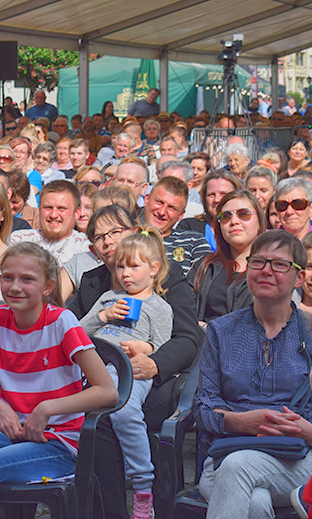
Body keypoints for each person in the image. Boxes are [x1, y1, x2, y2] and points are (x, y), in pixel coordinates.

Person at [0, 242, 117, 518]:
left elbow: (108, 391)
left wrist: (47, 408)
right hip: (11, 435)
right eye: (8, 278)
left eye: (27, 279)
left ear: (47, 287)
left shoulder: (62, 322)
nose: (15, 287)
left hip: (58, 443)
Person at [69, 205, 203, 519]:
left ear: (133, 229)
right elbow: (70, 327)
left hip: (152, 380)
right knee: (90, 412)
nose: (107, 242)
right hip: (97, 373)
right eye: (99, 237)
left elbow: (187, 338)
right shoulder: (95, 284)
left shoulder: (167, 280)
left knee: (102, 417)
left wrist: (154, 360)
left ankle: (131, 500)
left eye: (114, 231)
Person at [193, 229, 312, 519]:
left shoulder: (310, 332)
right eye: (258, 262)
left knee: (238, 468)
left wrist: (303, 430)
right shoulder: (221, 331)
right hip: (225, 455)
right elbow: (202, 409)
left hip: (299, 459)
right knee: (255, 502)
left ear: (299, 278)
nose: (266, 271)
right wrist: (240, 422)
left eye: (280, 264)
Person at [80, 226, 173, 518]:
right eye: (120, 266)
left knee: (124, 413)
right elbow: (77, 331)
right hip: (93, 367)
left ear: (154, 269)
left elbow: (161, 345)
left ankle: (143, 486)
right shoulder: (109, 297)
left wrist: (142, 347)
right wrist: (103, 316)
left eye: (134, 266)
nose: (125, 274)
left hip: (128, 370)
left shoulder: (158, 306)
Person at [189, 189, 266, 325]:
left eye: (243, 214)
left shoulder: (272, 271)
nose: (234, 221)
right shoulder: (205, 266)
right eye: (225, 216)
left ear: (260, 222)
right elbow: (183, 311)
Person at [10, 180, 91, 266]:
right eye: (48, 208)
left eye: (61, 208)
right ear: (39, 210)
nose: (53, 215)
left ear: (77, 213)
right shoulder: (18, 241)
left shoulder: (87, 248)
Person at [143, 176, 211, 275]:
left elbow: (205, 282)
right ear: (146, 199)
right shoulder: (126, 236)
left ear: (181, 215)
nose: (162, 212)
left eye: (171, 208)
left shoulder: (193, 241)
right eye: (159, 202)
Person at [178, 170, 241, 251]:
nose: (217, 200)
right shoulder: (189, 228)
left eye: (223, 194)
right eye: (211, 195)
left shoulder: (243, 228)